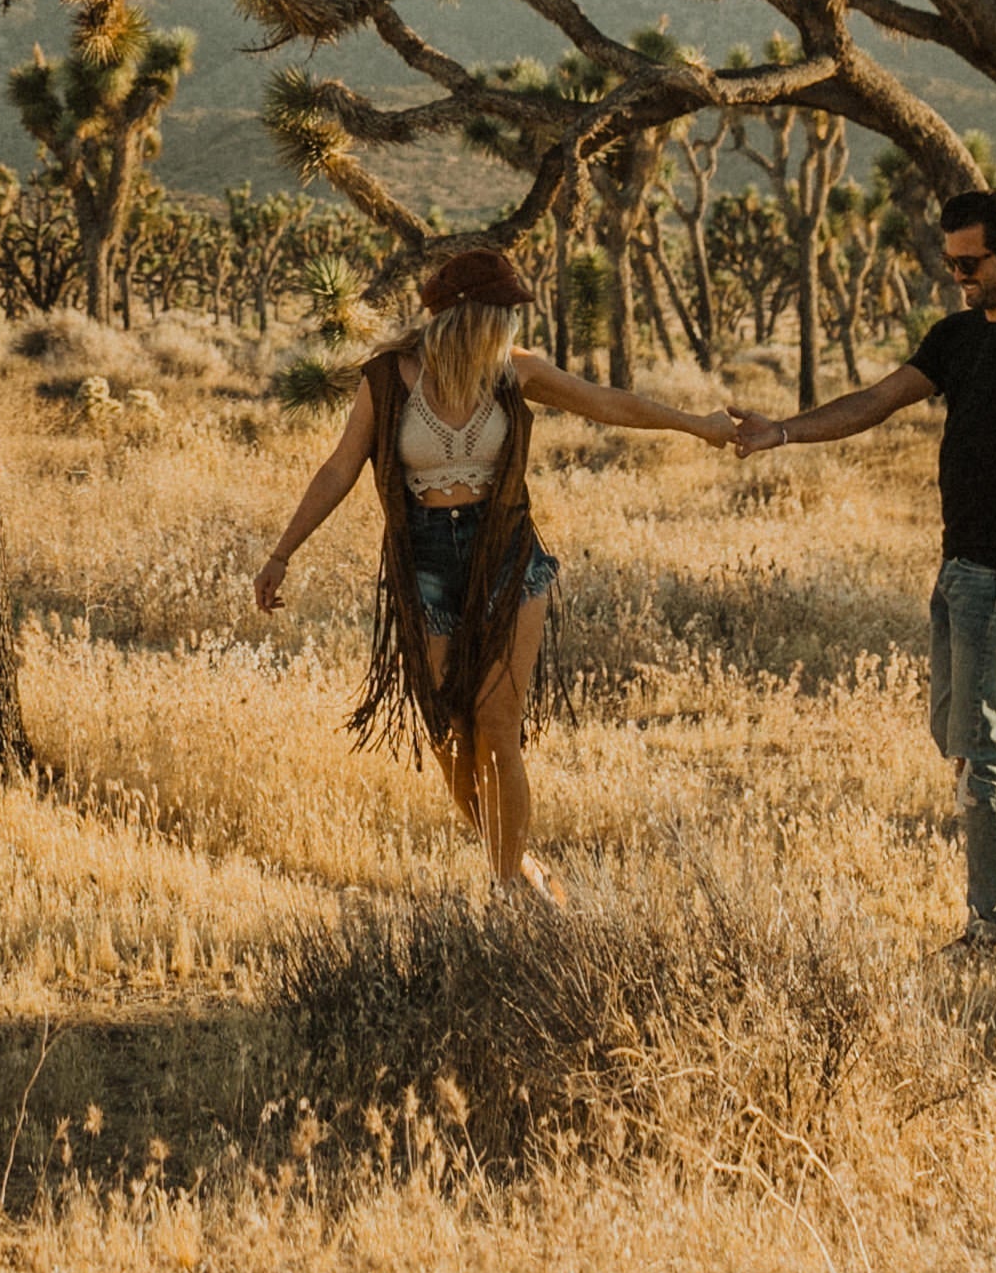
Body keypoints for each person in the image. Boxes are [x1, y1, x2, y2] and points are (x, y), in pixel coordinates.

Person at [255, 246, 746, 903]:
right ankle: (513, 855)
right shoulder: (387, 377)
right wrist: (283, 551)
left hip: (505, 549)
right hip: (424, 559)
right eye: (504, 312)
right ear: (471, 314)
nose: (512, 325)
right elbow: (340, 468)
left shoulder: (514, 373)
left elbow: (607, 403)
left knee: (496, 721)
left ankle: (510, 885)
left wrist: (696, 425)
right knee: (448, 731)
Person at [735, 186, 996, 944]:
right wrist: (782, 432)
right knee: (962, 737)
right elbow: (876, 400)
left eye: (970, 261)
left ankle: (994, 924)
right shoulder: (957, 337)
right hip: (961, 565)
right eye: (949, 261)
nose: (957, 274)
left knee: (979, 745)